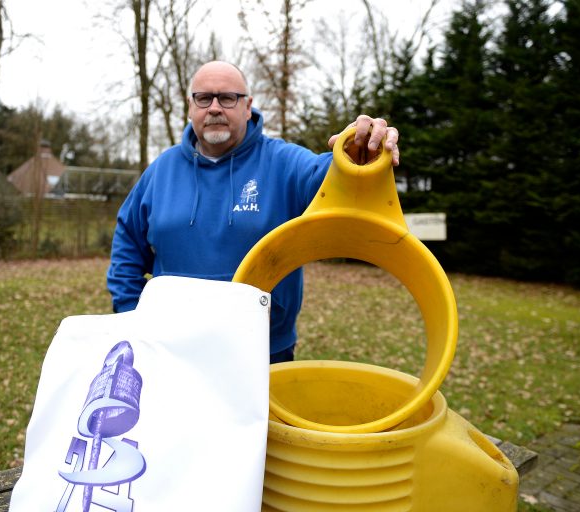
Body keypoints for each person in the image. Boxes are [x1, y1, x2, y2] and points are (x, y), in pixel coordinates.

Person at [107, 60, 399, 363]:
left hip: (264, 353)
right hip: (171, 351)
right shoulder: (160, 172)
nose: (215, 108)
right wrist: (132, 316)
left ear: (248, 107)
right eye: (204, 98)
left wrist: (359, 153)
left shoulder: (283, 162)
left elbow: (332, 174)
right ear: (190, 106)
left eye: (228, 98)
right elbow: (127, 245)